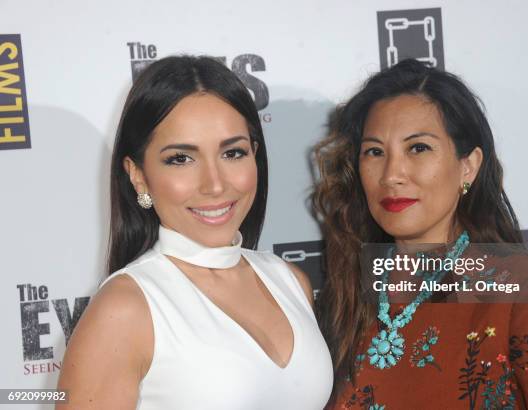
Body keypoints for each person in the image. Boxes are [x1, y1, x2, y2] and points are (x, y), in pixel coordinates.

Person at [312, 58, 528, 409]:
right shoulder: (342, 297)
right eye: (375, 152)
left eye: (418, 148)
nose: (392, 174)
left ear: (468, 165)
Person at [57, 55, 333, 409]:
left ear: (255, 156)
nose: (215, 185)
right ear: (137, 174)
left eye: (232, 153)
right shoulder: (125, 309)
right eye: (181, 159)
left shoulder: (291, 281)